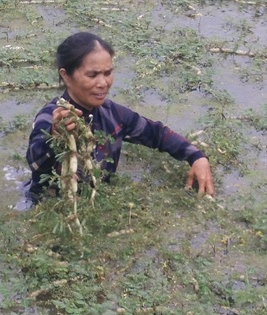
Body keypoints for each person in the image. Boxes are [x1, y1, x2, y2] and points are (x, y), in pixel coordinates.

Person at [25, 32, 214, 203]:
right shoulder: (53, 117)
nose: (103, 83)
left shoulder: (112, 114)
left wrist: (196, 157)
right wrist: (54, 137)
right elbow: (35, 163)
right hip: (54, 208)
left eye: (108, 73)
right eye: (93, 75)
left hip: (99, 203)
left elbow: (156, 133)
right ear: (66, 76)